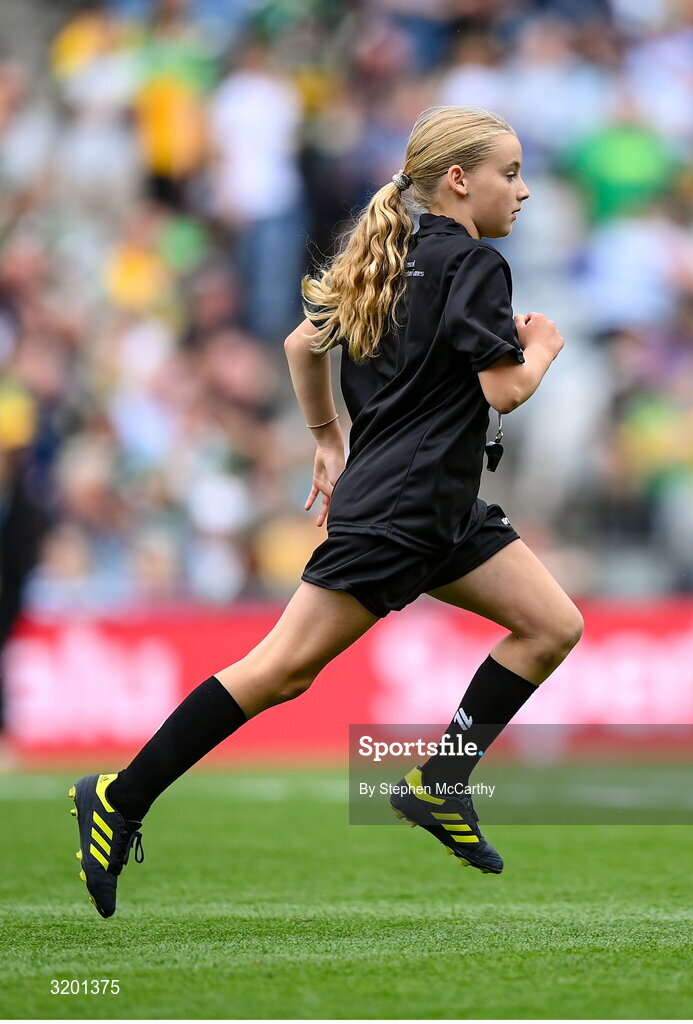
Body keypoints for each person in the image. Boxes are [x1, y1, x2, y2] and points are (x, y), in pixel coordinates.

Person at [68, 105, 583, 917]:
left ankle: (440, 783)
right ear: (458, 180)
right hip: (402, 512)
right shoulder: (474, 266)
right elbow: (504, 389)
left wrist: (325, 437)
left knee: (552, 624)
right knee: (280, 671)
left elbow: (300, 347)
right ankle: (118, 797)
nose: (521, 192)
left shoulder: (389, 255)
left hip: (435, 507)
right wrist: (544, 343)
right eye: (508, 174)